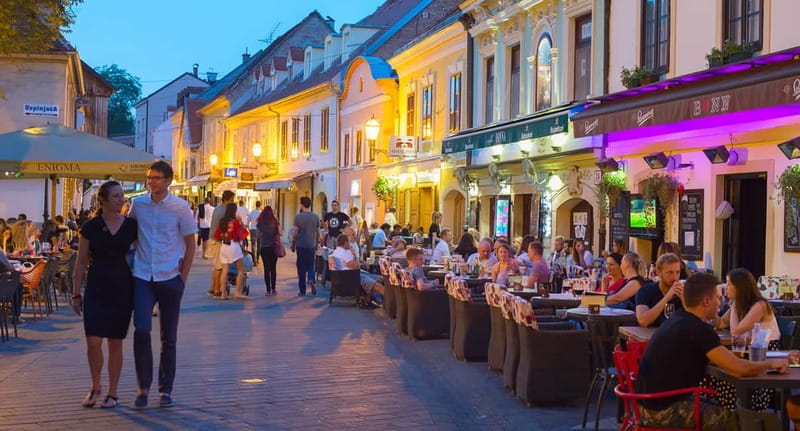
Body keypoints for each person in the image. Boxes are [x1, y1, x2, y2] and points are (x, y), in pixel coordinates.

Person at [635, 272, 788, 430]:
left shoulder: (678, 318)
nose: (720, 301)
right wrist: (770, 364)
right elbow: (739, 369)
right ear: (706, 302)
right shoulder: (699, 329)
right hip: (664, 410)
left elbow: (718, 359)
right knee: (749, 422)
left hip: (646, 404)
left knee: (726, 408)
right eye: (717, 297)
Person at [127, 161, 197, 409]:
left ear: (168, 180)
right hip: (143, 276)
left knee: (169, 338)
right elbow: (131, 233)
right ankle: (143, 387)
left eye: (156, 178)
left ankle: (165, 389)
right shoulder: (138, 205)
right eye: (149, 178)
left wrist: (183, 278)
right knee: (142, 330)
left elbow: (191, 244)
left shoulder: (180, 208)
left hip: (169, 278)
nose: (152, 182)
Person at [70, 181, 138, 409]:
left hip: (122, 285)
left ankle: (113, 392)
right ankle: (95, 385)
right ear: (104, 200)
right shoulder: (91, 226)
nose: (122, 200)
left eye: (122, 196)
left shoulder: (131, 226)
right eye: (117, 196)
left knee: (115, 341)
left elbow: (143, 254)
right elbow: (80, 262)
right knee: (93, 341)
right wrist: (75, 293)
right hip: (96, 286)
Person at [719, 268, 780, 347]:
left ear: (739, 287)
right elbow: (721, 323)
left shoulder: (760, 305)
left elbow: (735, 332)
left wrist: (735, 303)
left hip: (765, 350)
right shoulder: (742, 303)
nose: (726, 287)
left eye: (728, 283)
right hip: (749, 347)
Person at [329, 234, 385, 304]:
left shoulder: (336, 252)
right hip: (352, 278)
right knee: (378, 286)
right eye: (349, 242)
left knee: (379, 278)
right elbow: (356, 266)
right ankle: (390, 303)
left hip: (346, 277)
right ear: (345, 242)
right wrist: (354, 254)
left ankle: (374, 300)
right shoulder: (344, 253)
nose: (350, 244)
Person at [635, 253, 684, 327]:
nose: (675, 277)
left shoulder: (684, 293)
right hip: (651, 336)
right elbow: (643, 321)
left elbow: (698, 321)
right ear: (658, 273)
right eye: (670, 273)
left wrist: (684, 300)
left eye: (677, 272)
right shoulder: (646, 291)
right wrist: (666, 298)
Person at [213, 203, 248, 300]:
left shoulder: (222, 221)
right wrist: (240, 222)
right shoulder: (235, 222)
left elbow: (217, 235)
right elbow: (243, 234)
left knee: (225, 271)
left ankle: (223, 294)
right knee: (241, 270)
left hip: (224, 246)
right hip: (233, 245)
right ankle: (237, 292)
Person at [292, 196, 320, 297]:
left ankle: (302, 290)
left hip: (301, 245)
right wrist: (317, 244)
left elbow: (295, 232)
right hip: (311, 245)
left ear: (302, 205)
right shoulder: (315, 217)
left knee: (301, 266)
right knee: (311, 264)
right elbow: (318, 232)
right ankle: (311, 279)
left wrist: (293, 244)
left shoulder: (298, 217)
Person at [208, 191, 235, 297]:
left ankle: (212, 287)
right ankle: (216, 289)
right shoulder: (224, 210)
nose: (232, 201)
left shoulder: (218, 208)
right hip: (217, 240)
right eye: (232, 199)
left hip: (213, 238)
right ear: (227, 199)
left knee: (217, 266)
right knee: (220, 266)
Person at [257, 206, 282, 296]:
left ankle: (268, 290)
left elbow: (258, 235)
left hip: (264, 247)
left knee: (266, 269)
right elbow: (281, 233)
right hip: (273, 247)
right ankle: (274, 288)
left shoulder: (260, 223)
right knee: (273, 268)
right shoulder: (275, 222)